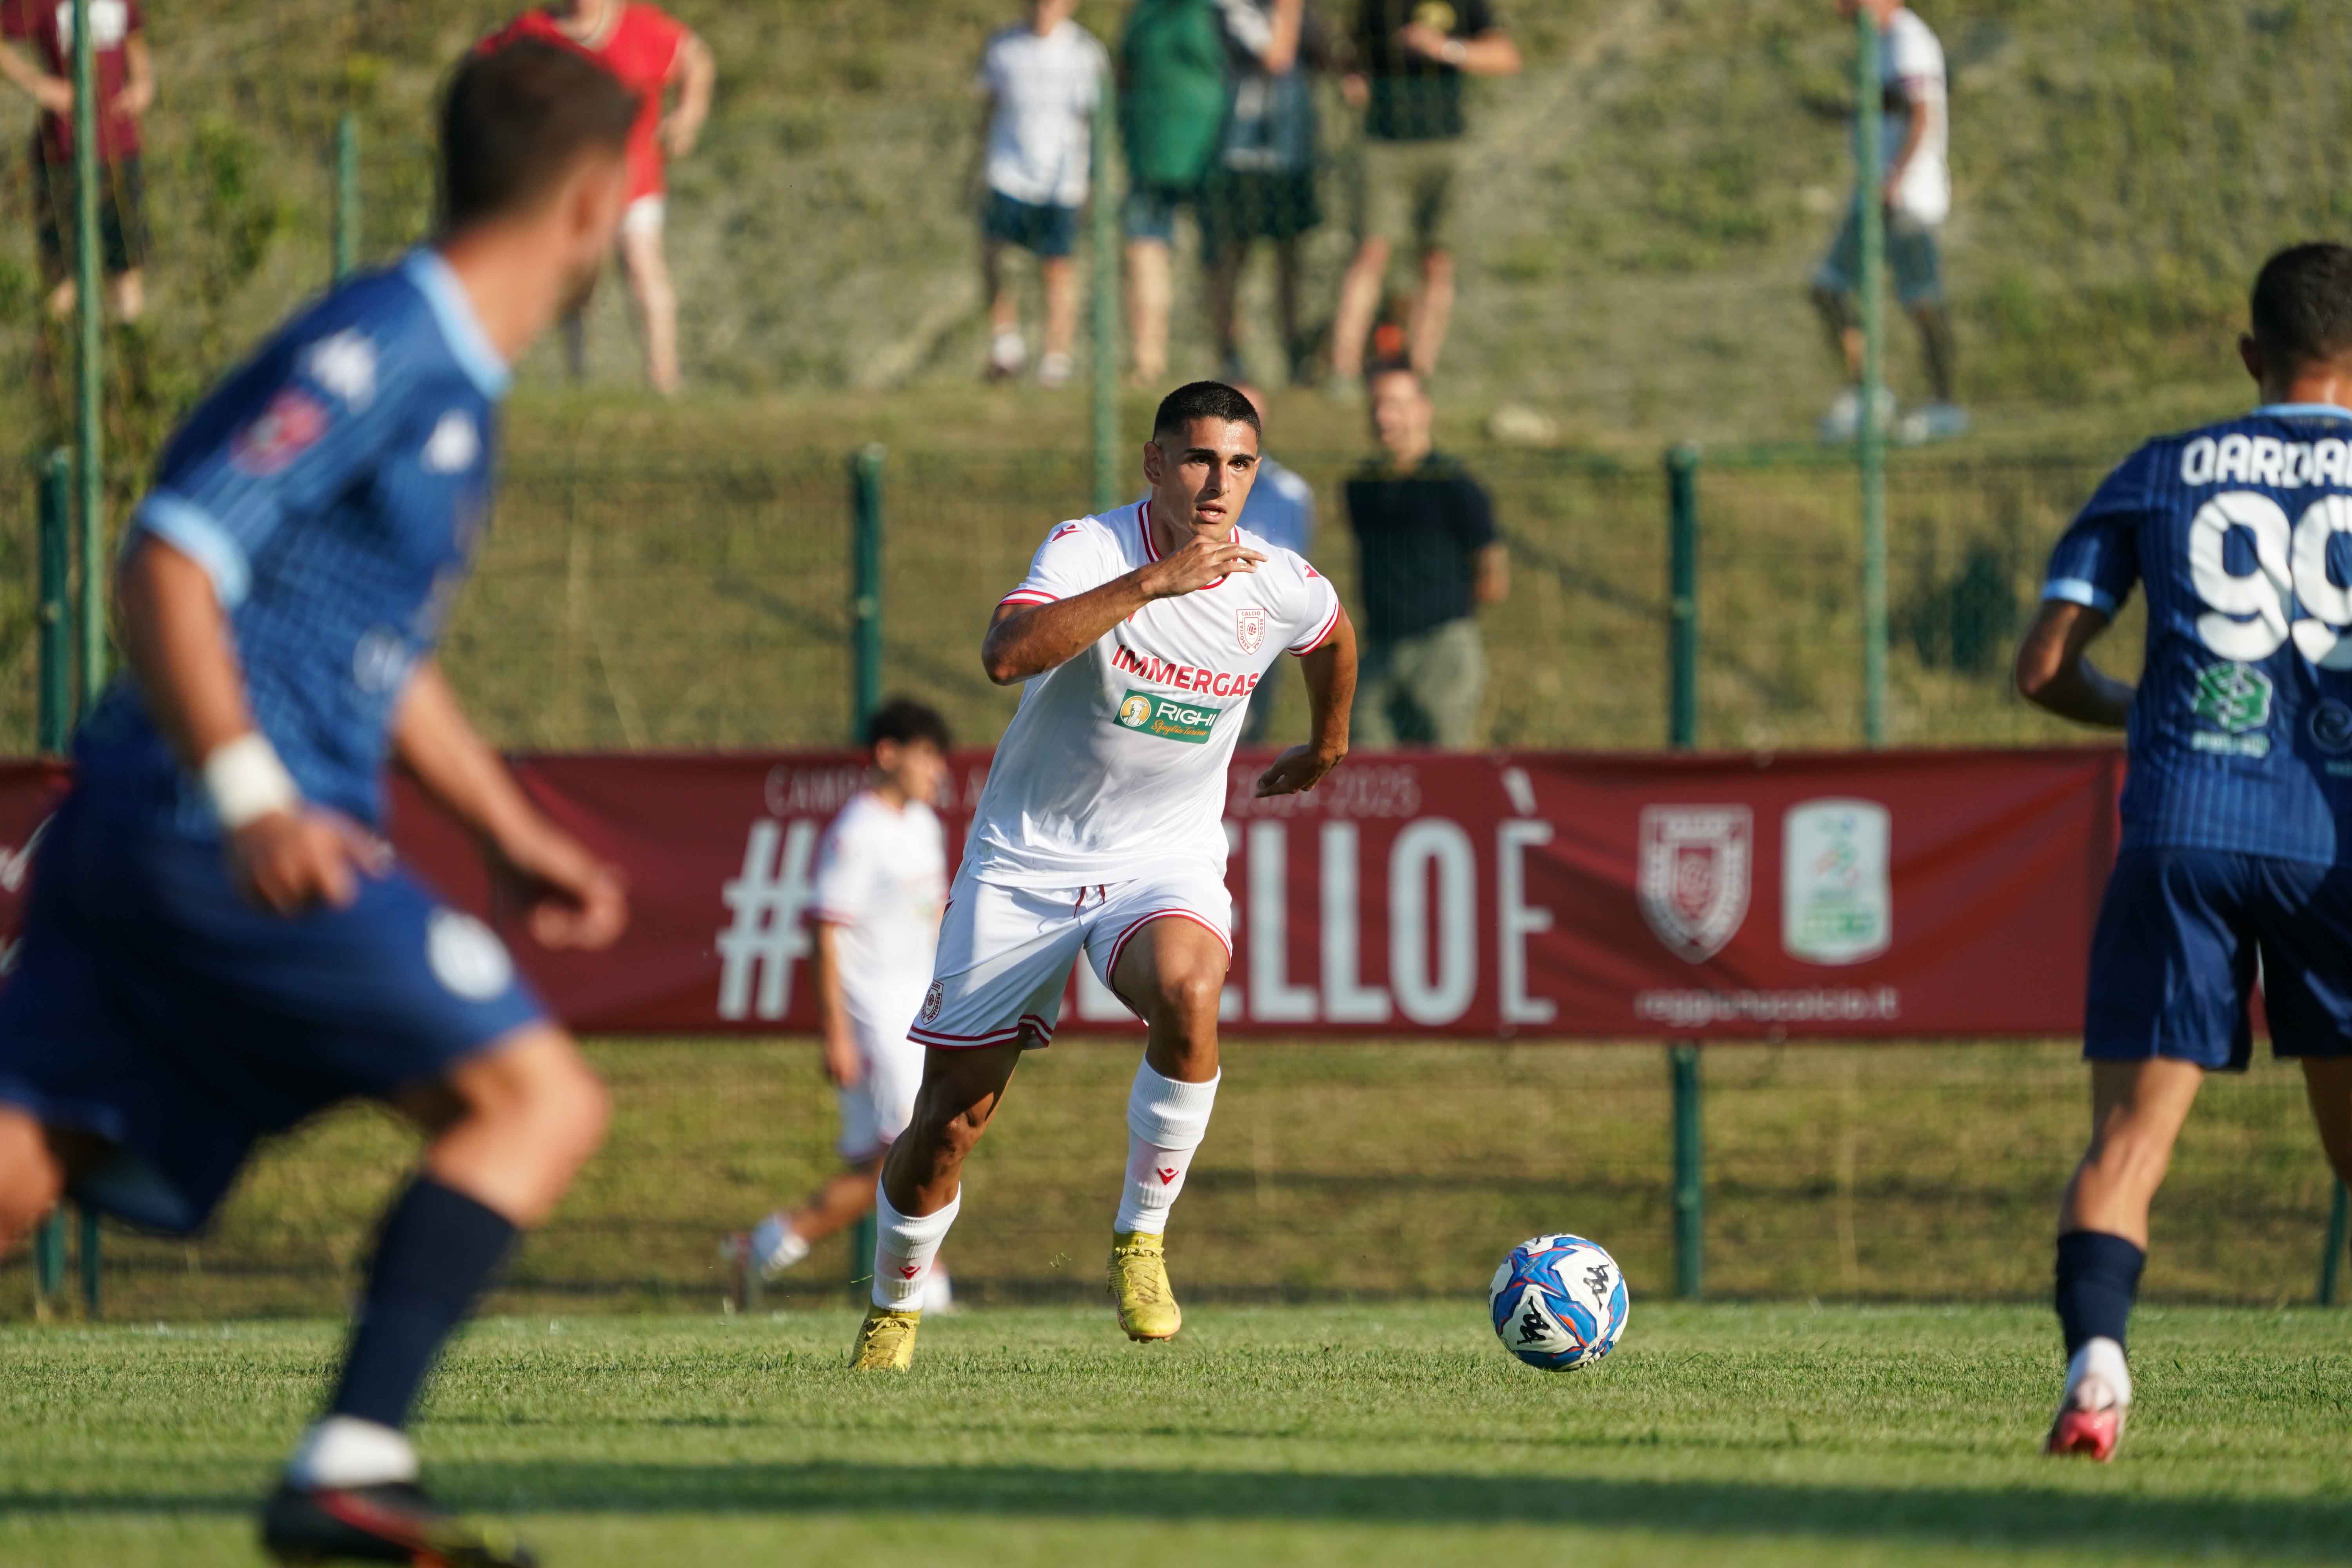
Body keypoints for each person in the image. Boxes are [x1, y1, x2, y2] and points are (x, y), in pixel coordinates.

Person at [0, 41, 634, 1565]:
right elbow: (171, 554)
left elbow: (375, 654)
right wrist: (252, 795)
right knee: (534, 1100)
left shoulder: (442, 375)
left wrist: (505, 826)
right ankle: (351, 1462)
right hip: (212, 831)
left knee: (30, 1157)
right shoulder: (391, 349)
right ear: (598, 204)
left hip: (157, 817)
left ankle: (351, 1465)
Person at [847, 381, 1356, 1371]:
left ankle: (1141, 1237)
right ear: (1156, 464)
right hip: (1027, 860)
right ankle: (892, 1309)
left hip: (1159, 859)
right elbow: (1005, 654)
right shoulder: (1090, 547)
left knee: (1189, 987)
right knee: (950, 1123)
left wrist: (1329, 743)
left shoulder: (1273, 577)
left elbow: (1330, 631)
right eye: (1200, 459)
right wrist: (1154, 585)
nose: (1220, 483)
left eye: (1241, 463)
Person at [2014, 242, 2352, 1463]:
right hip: (2335, 839)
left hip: (2184, 824)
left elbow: (2041, 667)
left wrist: (2150, 706)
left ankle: (2096, 1370)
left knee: (2127, 1144)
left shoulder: (2165, 468)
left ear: (2247, 353)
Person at [725, 699, 956, 1310]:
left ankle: (764, 1247)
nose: (937, 771)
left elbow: (933, 919)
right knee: (919, 1148)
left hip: (918, 1010)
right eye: (927, 755)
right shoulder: (857, 832)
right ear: (888, 754)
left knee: (887, 1162)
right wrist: (836, 1031)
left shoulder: (925, 826)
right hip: (874, 1014)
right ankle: (921, 1282)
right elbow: (826, 931)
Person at [485, 0, 714, 396]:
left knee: (643, 265)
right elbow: (482, 70)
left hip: (632, 175)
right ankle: (578, 383)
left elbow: (695, 58)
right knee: (570, 281)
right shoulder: (534, 32)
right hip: (563, 184)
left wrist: (688, 117)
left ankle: (665, 383)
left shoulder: (639, 27)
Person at [1329, 0, 1517, 388]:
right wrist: (1352, 76)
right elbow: (1349, 52)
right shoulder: (1375, 7)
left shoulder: (1466, 5)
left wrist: (1446, 49)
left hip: (1445, 143)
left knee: (1437, 259)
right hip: (1384, 143)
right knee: (1370, 252)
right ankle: (1342, 371)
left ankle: (1420, 372)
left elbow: (1505, 57)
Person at [1809, 0, 1963, 445]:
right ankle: (1869, 395)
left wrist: (1895, 180)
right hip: (1872, 197)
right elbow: (1890, 107)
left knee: (1922, 300)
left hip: (1905, 199)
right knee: (1827, 288)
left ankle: (1945, 404)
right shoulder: (1876, 43)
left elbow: (1923, 115)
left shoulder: (1907, 40)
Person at [1342, 362, 1504, 748]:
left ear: (1423, 409)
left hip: (1441, 647)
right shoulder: (1361, 488)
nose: (1384, 417)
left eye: (1396, 405)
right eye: (1377, 406)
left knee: (1444, 771)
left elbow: (1493, 575)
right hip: (1380, 647)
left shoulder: (1456, 485)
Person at [974, 0, 1108, 388]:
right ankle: (1006, 343)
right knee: (995, 255)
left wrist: (1094, 179)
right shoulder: (1003, 47)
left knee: (1058, 268)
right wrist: (976, 167)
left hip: (1062, 179)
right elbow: (988, 108)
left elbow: (1096, 121)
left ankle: (1056, 358)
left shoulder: (1086, 52)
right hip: (1009, 172)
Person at [0, 0, 155, 321]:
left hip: (120, 149)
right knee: (62, 281)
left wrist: (143, 80)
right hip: (63, 153)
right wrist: (39, 85)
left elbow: (134, 35)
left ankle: (125, 354)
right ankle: (60, 353)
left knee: (126, 271)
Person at [1201, 0, 1319, 388]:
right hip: (1244, 157)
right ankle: (1230, 354)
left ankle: (1295, 354)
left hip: (1292, 155)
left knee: (1291, 259)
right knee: (1235, 258)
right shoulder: (1234, 8)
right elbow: (1278, 56)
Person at [1116, 0, 1229, 387]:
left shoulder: (1216, 13)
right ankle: (1148, 359)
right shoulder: (1141, 14)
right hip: (1152, 154)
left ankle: (1228, 356)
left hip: (1211, 156)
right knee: (1146, 252)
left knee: (1220, 257)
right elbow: (1124, 75)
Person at [1228, 383, 1315, 744]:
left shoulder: (1287, 492)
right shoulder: (1176, 484)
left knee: (1245, 741)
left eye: (1253, 413)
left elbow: (1283, 573)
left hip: (1248, 633)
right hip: (1176, 629)